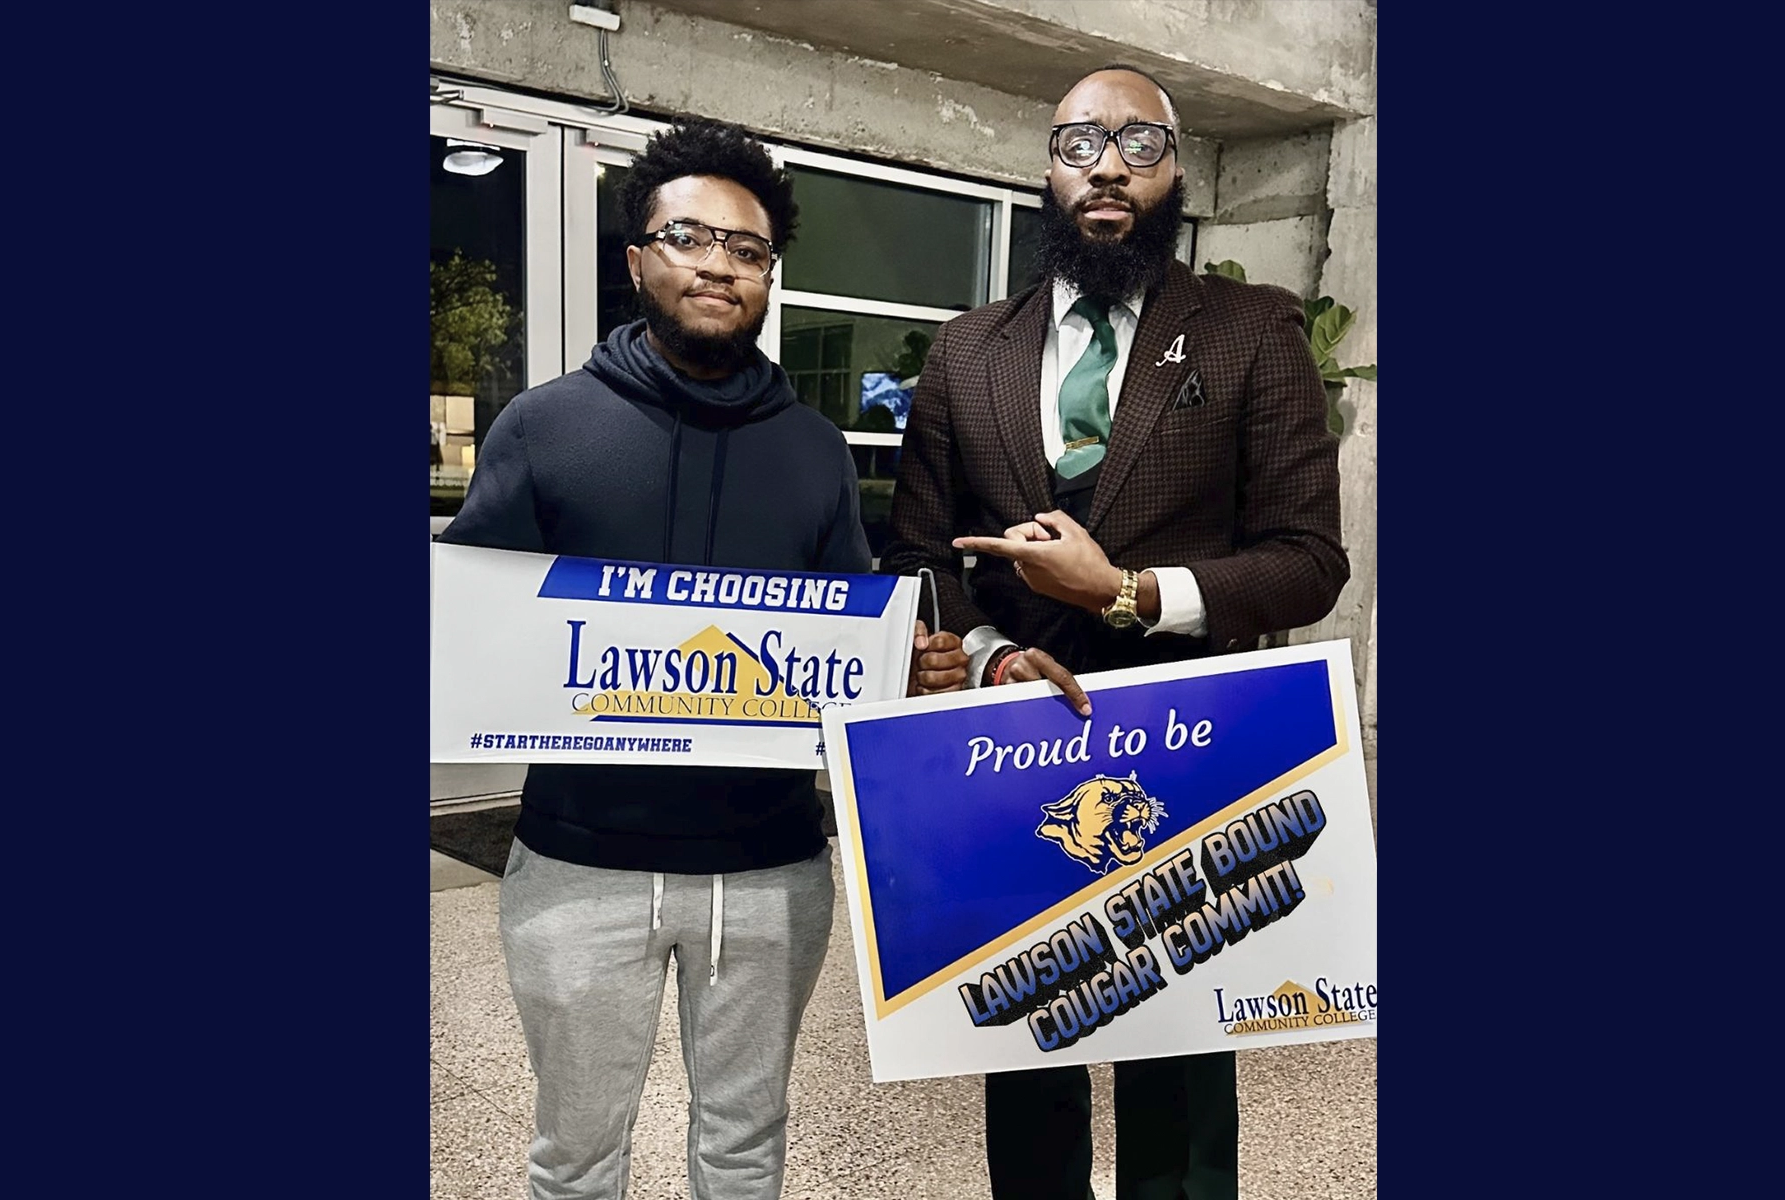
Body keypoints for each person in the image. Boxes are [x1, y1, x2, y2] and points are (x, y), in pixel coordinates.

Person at [884, 65, 1350, 1200]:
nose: (1108, 165)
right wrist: (986, 650)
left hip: (1192, 757)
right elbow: (921, 557)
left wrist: (1129, 592)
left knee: (1179, 1079)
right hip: (1012, 751)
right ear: (1046, 168)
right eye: (1081, 141)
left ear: (1175, 170)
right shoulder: (966, 351)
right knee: (1027, 1049)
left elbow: (1308, 561)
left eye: (1141, 143)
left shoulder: (1250, 330)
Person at [437, 116, 871, 1200]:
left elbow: (851, 642)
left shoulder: (818, 452)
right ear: (637, 258)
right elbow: (473, 629)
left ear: (770, 275)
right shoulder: (544, 426)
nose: (719, 263)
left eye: (749, 249)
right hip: (579, 862)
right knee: (576, 1155)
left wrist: (918, 665)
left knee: (744, 1147)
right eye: (689, 237)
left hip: (771, 868)